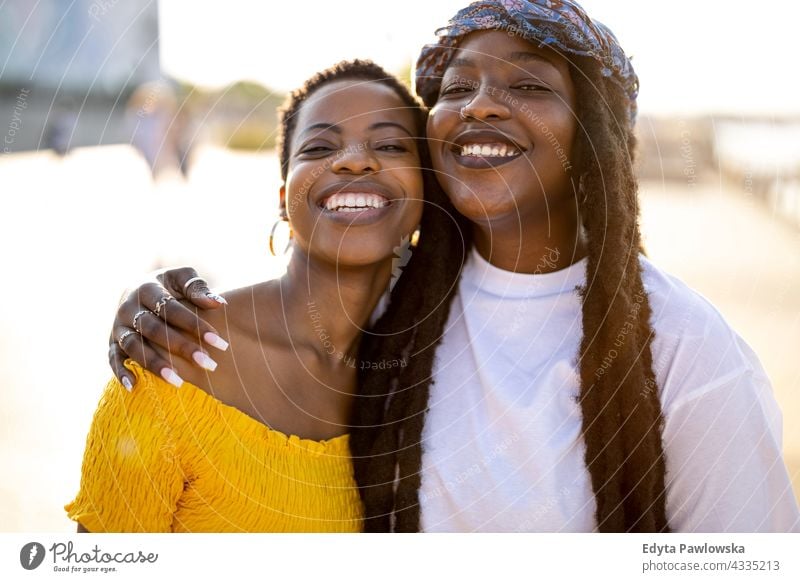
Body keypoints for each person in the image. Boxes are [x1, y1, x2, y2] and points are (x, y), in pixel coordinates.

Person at [104, 0, 800, 532]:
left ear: (596, 135)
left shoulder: (685, 347)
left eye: (529, 86)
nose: (482, 104)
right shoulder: (398, 307)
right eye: (457, 87)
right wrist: (157, 302)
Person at [66, 60, 455, 532]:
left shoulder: (417, 372)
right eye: (319, 146)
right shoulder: (175, 358)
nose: (354, 159)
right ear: (282, 198)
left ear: (426, 193)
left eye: (391, 144)